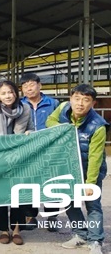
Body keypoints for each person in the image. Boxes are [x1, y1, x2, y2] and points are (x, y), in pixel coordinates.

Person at [47, 84, 106, 254]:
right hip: (68, 167)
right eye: (77, 98)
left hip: (90, 169)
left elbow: (95, 157)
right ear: (70, 99)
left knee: (92, 204)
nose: (80, 103)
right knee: (68, 201)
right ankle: (80, 234)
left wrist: (90, 183)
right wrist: (65, 129)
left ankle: (95, 241)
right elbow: (50, 120)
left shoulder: (98, 126)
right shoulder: (63, 108)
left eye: (86, 100)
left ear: (93, 103)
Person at [0, 80, 34, 245]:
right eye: (3, 93)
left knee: (19, 194)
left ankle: (17, 229)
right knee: (1, 195)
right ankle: (4, 230)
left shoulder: (25, 109)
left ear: (16, 93)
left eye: (10, 92)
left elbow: (32, 128)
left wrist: (29, 133)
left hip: (20, 158)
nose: (7, 96)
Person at [19, 73, 60, 230]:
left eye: (32, 84)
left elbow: (62, 123)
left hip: (49, 149)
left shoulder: (53, 103)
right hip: (28, 150)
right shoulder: (20, 105)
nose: (29, 88)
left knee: (52, 182)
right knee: (30, 181)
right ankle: (30, 216)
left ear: (40, 85)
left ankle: (52, 216)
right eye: (25, 85)